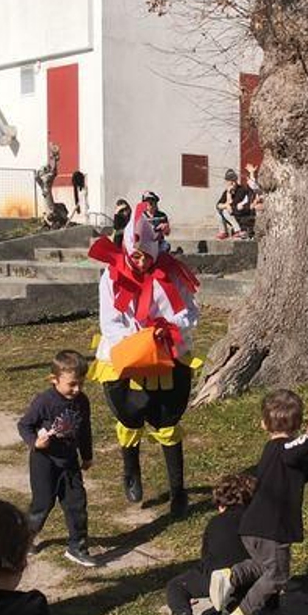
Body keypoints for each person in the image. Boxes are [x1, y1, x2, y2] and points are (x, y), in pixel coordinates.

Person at [86, 202, 200, 517]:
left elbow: (189, 313)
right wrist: (138, 345)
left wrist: (166, 331)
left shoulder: (170, 273)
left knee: (167, 421)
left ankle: (178, 491)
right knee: (129, 416)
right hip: (127, 357)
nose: (139, 261)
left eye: (145, 255)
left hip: (166, 353)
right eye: (134, 255)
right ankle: (131, 470)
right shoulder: (111, 277)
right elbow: (110, 323)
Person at [208, 390, 308, 615]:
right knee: (278, 575)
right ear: (298, 425)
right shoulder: (282, 448)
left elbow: (296, 473)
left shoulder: (277, 453)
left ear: (263, 423)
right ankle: (243, 613)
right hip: (271, 527)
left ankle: (230, 576)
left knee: (262, 565)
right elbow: (293, 450)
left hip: (254, 526)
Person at [152, 473, 258, 615]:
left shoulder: (215, 522)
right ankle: (236, 607)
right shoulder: (258, 521)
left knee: (176, 585)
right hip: (249, 580)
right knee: (240, 585)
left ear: (221, 504)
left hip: (217, 577)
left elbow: (206, 557)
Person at [18, 350, 96, 567]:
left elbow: (84, 430)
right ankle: (24, 539)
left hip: (69, 462)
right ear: (54, 380)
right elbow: (24, 425)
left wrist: (87, 455)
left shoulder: (82, 401)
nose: (77, 389)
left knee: (77, 503)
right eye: (72, 384)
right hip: (45, 461)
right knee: (42, 504)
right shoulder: (44, 402)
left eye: (81, 383)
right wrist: (35, 442)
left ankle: (77, 547)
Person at [215, 169, 257, 240]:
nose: (233, 184)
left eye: (234, 181)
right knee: (219, 212)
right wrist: (226, 202)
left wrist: (228, 205)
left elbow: (233, 205)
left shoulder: (241, 190)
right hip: (234, 212)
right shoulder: (227, 192)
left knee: (225, 211)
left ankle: (238, 230)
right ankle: (223, 232)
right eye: (231, 182)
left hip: (243, 211)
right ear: (227, 182)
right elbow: (218, 205)